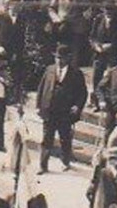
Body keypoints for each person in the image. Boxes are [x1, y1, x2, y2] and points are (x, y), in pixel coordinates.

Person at [35, 42, 87, 172]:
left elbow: (82, 93)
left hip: (65, 112)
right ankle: (43, 165)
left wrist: (77, 106)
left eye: (62, 58)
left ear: (68, 58)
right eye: (57, 58)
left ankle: (65, 162)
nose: (59, 60)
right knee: (47, 139)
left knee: (65, 138)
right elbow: (41, 88)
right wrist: (38, 105)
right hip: (49, 110)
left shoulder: (76, 73)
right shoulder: (49, 69)